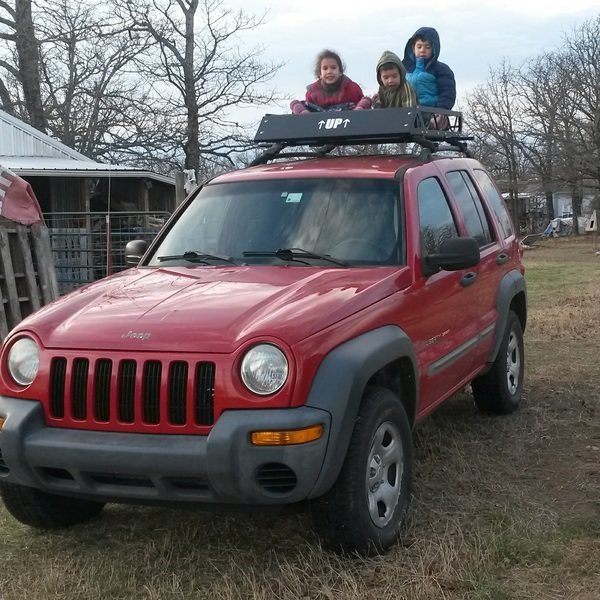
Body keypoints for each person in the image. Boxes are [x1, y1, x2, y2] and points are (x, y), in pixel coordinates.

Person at [402, 27, 456, 128]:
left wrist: (441, 111)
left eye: (427, 47)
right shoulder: (404, 69)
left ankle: (434, 124)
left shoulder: (440, 69)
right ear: (413, 48)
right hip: (408, 111)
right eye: (419, 46)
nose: (422, 50)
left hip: (430, 111)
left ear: (433, 48)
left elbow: (447, 92)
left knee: (428, 122)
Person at [290, 49, 371, 114]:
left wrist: (360, 108)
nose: (329, 71)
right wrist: (303, 112)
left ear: (340, 71)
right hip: (319, 128)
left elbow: (364, 107)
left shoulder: (352, 88)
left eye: (333, 67)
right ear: (320, 73)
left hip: (348, 124)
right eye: (325, 68)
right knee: (296, 104)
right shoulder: (312, 92)